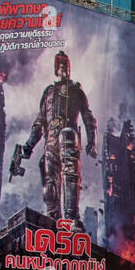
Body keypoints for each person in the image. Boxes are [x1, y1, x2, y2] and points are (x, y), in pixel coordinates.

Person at [19, 50, 98, 228]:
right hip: (51, 141)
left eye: (64, 63)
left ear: (69, 67)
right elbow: (40, 122)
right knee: (49, 180)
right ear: (55, 68)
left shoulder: (76, 90)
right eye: (59, 63)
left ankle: (71, 218)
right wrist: (29, 145)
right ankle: (53, 218)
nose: (62, 66)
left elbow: (88, 117)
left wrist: (92, 141)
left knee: (70, 174)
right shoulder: (48, 92)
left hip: (68, 135)